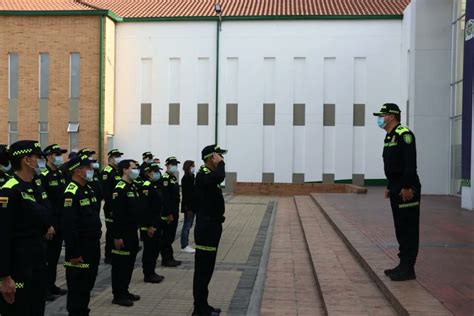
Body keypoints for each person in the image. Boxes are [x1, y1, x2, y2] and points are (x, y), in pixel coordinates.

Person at [0, 140, 50, 315]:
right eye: (38, 157)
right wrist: (4, 276)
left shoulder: (35, 185)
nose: (41, 161)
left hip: (37, 261)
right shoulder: (9, 190)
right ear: (27, 160)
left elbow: (47, 215)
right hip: (18, 268)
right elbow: (2, 235)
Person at [373, 103, 421, 281]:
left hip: (406, 188)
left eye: (382, 115)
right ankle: (402, 265)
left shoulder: (404, 134)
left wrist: (407, 187)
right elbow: (392, 165)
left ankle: (409, 268)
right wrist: (389, 186)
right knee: (400, 227)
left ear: (391, 116)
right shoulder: (389, 136)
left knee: (408, 227)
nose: (380, 119)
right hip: (396, 186)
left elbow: (410, 164)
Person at [62, 154, 102, 315]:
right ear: (78, 171)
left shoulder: (88, 188)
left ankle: (83, 311)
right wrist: (74, 253)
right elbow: (69, 226)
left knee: (87, 283)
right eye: (89, 168)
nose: (92, 170)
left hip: (92, 246)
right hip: (80, 250)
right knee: (77, 286)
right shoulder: (71, 192)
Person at [192, 145, 227, 316]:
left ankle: (203, 305)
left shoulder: (209, 175)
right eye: (219, 156)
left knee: (207, 269)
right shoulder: (203, 175)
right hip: (206, 228)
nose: (221, 159)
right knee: (202, 270)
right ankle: (199, 309)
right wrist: (221, 164)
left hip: (212, 227)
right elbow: (220, 176)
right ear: (211, 158)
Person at [111, 160, 141, 307]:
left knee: (129, 264)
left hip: (132, 232)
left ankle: (125, 290)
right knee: (120, 266)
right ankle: (118, 295)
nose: (136, 171)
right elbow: (116, 215)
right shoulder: (120, 188)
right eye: (134, 168)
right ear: (125, 170)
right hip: (122, 234)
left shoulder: (132, 186)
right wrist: (117, 236)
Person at [41, 144, 68, 299]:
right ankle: (44, 289)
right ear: (49, 156)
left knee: (54, 258)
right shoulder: (43, 175)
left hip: (60, 222)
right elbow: (43, 203)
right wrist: (47, 224)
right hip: (49, 224)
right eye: (57, 154)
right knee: (47, 259)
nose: (60, 157)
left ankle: (52, 285)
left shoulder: (59, 173)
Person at [140, 163, 165, 283]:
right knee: (149, 250)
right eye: (154, 171)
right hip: (149, 225)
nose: (157, 173)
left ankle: (152, 271)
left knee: (155, 249)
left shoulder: (154, 185)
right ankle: (148, 274)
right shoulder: (146, 186)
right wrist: (149, 225)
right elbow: (144, 208)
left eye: (157, 171)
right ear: (148, 173)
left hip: (156, 222)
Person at [100, 149, 124, 264]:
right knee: (111, 231)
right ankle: (108, 255)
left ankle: (115, 251)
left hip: (118, 206)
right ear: (110, 159)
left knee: (117, 230)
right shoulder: (107, 171)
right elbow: (106, 192)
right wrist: (111, 207)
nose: (118, 158)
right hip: (110, 207)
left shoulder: (117, 170)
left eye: (119, 156)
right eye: (116, 156)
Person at [160, 156, 182, 267]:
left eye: (176, 165)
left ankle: (170, 257)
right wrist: (168, 213)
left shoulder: (172, 178)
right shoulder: (165, 178)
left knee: (171, 235)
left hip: (174, 211)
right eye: (173, 164)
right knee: (167, 236)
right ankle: (166, 259)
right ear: (167, 165)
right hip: (169, 213)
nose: (175, 167)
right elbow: (165, 198)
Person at [181, 160, 196, 253]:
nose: (194, 168)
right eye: (193, 166)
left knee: (189, 225)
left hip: (192, 206)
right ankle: (184, 245)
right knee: (186, 225)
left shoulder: (191, 177)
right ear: (189, 167)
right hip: (189, 207)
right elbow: (187, 195)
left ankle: (185, 243)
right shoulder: (186, 178)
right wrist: (189, 208)